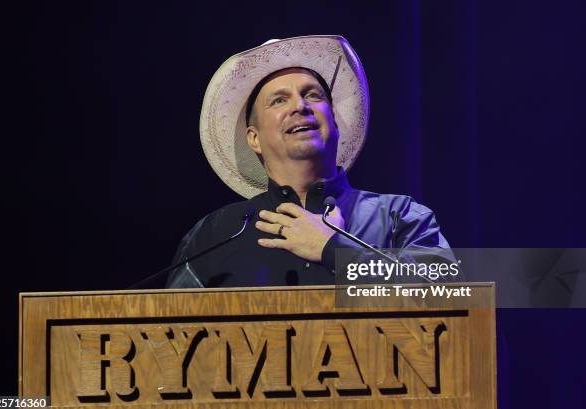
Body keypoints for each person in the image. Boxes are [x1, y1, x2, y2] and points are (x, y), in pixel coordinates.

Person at [166, 35, 450, 288]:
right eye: (278, 101)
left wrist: (334, 249)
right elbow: (167, 336)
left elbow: (454, 294)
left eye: (313, 95)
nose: (300, 106)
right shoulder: (215, 234)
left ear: (335, 123)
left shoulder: (399, 217)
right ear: (254, 138)